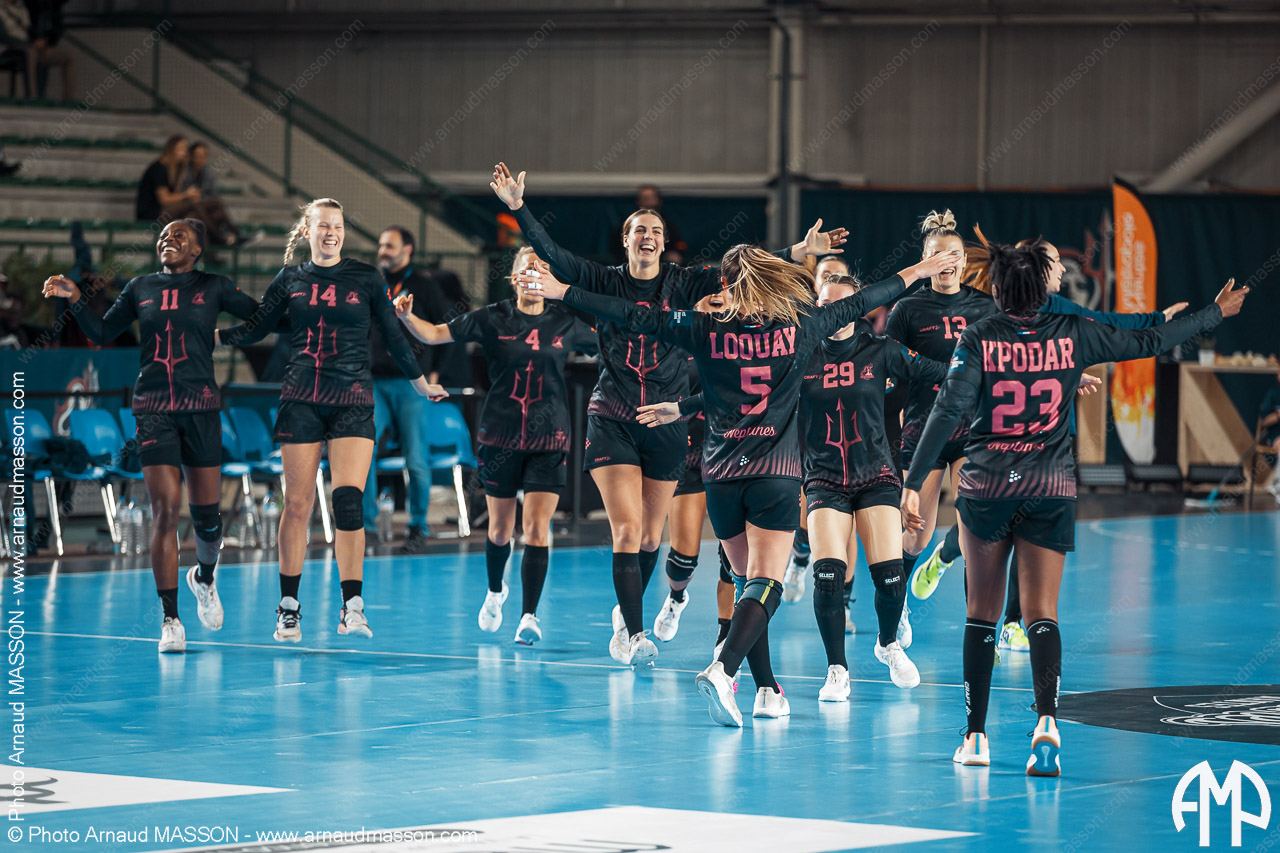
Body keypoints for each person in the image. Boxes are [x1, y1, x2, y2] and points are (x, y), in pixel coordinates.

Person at [520, 241, 960, 725]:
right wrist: (922, 267)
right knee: (765, 585)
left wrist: (563, 292)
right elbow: (871, 297)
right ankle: (724, 669)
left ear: (727, 286)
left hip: (722, 477)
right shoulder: (800, 328)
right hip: (774, 475)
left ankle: (767, 689)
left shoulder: (704, 328)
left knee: (749, 584)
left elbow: (631, 314)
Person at [900, 237, 1247, 774]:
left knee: (981, 615)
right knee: (1042, 613)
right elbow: (1152, 341)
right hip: (1050, 485)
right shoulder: (1072, 332)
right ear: (1041, 288)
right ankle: (1047, 723)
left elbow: (947, 411)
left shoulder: (979, 336)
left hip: (988, 485)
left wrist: (912, 480)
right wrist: (1213, 313)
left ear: (999, 290)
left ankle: (975, 738)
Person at [492, 161, 848, 666]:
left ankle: (629, 612)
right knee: (627, 529)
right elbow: (554, 255)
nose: (649, 237)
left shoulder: (683, 282)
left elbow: (742, 269)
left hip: (666, 419)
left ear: (663, 243)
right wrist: (519, 208)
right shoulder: (603, 279)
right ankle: (635, 633)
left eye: (656, 231)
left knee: (651, 538)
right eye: (640, 230)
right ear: (626, 240)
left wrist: (797, 252)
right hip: (614, 416)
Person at [215, 198, 446, 643]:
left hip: (353, 399)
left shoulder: (366, 277)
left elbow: (392, 334)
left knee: (348, 501)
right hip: (301, 397)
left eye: (337, 226)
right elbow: (260, 326)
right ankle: (288, 608)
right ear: (308, 231)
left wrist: (419, 383)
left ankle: (352, 606)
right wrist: (214, 336)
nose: (331, 233)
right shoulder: (291, 278)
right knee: (297, 504)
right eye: (323, 226)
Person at [958, 228, 1185, 654]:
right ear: (1034, 270)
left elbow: (1112, 325)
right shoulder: (991, 318)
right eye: (1054, 263)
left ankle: (1013, 621)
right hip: (1000, 445)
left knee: (1027, 532)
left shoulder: (1065, 316)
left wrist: (1158, 319)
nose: (1063, 269)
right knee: (988, 526)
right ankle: (949, 560)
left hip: (1051, 444)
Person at [42, 220, 260, 652]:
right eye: (163, 235)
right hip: (153, 407)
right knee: (165, 511)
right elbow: (101, 332)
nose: (168, 240)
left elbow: (262, 319)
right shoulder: (140, 287)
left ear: (197, 250)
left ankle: (204, 578)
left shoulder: (215, 286)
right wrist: (75, 299)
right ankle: (170, 620)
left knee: (208, 521)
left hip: (202, 409)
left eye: (179, 236)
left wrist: (225, 336)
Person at [393, 246, 595, 643]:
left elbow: (613, 348)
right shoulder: (492, 317)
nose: (535, 273)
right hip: (500, 436)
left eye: (543, 269)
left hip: (549, 437)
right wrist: (405, 317)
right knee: (501, 530)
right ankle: (495, 591)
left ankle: (529, 616)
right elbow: (434, 334)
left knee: (536, 528)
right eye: (529, 267)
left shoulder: (566, 323)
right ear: (515, 278)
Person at [799, 273, 949, 697]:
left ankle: (888, 644)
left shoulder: (881, 350)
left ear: (858, 308)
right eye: (825, 305)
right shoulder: (801, 355)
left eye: (842, 304)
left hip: (876, 475)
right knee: (828, 577)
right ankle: (837, 669)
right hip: (824, 478)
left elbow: (941, 372)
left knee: (890, 577)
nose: (834, 312)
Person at [363, 226, 448, 552]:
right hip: (375, 382)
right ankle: (366, 528)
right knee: (363, 451)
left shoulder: (425, 286)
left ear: (407, 249)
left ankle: (417, 527)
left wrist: (435, 371)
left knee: (416, 458)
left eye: (390, 245)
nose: (383, 250)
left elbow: (447, 329)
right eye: (381, 245)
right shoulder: (374, 284)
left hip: (412, 383)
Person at [135, 136, 231, 246]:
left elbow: (176, 195)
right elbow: (164, 199)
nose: (184, 153)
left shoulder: (176, 169)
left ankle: (204, 251)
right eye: (180, 149)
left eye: (185, 150)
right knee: (193, 204)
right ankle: (219, 237)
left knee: (193, 216)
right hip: (152, 213)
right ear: (171, 149)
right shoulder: (159, 168)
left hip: (167, 210)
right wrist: (187, 195)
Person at [182, 142, 258, 248]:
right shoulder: (185, 172)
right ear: (191, 157)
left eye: (203, 156)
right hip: (188, 206)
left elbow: (214, 194)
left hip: (204, 205)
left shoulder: (208, 172)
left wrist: (200, 197)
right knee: (213, 209)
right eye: (197, 156)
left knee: (217, 211)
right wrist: (192, 196)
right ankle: (228, 237)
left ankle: (229, 237)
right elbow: (182, 192)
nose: (200, 159)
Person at [23, 0, 74, 102]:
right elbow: (26, 27)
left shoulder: (54, 7)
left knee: (70, 56)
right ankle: (33, 98)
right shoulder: (28, 5)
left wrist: (48, 44)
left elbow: (57, 27)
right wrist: (34, 41)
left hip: (47, 47)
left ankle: (68, 99)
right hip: (29, 45)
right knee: (32, 55)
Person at [1260, 370, 1280, 504]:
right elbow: (1264, 422)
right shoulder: (1273, 394)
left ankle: (1276, 482)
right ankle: (1277, 484)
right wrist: (1278, 415)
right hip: (1274, 436)